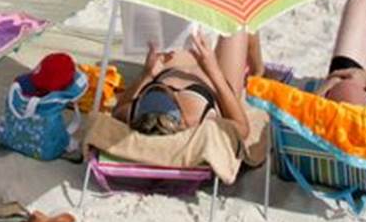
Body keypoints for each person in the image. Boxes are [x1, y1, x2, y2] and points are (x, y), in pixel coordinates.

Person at [111, 31, 262, 140]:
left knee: (177, 23)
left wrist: (147, 74)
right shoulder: (196, 120)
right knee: (238, 23)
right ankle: (259, 71)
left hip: (173, 68)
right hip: (218, 81)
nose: (173, 91)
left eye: (154, 89)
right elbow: (242, 129)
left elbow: (118, 109)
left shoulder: (137, 114)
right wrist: (213, 69)